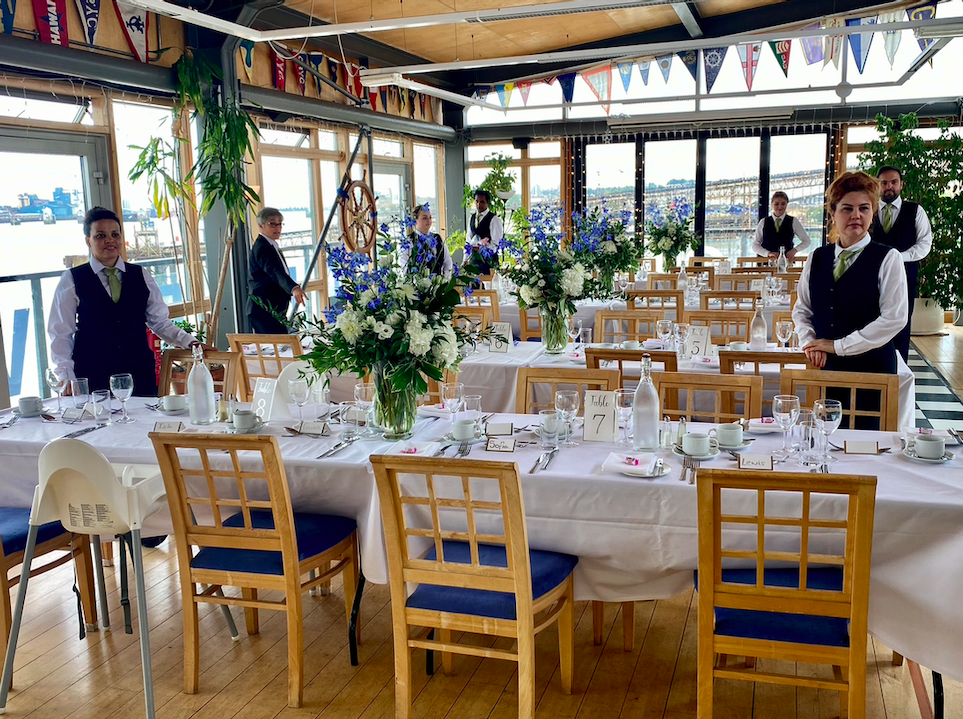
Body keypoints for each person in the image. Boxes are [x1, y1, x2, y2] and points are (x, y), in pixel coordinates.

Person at [48, 206, 204, 397]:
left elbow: (160, 322)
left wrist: (190, 342)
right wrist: (66, 377)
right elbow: (60, 333)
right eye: (100, 236)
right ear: (88, 241)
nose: (109, 240)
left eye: (115, 234)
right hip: (93, 375)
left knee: (144, 424)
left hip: (139, 374)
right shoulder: (72, 279)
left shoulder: (141, 275)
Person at [792, 171, 907, 429]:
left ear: (873, 212)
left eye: (864, 208)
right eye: (847, 208)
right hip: (825, 370)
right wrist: (811, 343)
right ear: (833, 214)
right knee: (824, 442)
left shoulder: (888, 258)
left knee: (868, 447)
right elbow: (802, 310)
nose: (856, 215)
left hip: (872, 372)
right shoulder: (816, 258)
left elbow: (894, 318)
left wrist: (838, 346)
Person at [870, 165, 933, 362]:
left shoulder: (915, 210)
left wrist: (898, 257)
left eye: (894, 182)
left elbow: (924, 243)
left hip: (904, 276)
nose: (889, 186)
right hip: (871, 276)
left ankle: (898, 373)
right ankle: (872, 371)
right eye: (884, 183)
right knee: (870, 321)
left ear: (901, 185)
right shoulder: (868, 208)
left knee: (901, 325)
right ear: (878, 185)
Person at [247, 207, 308, 334]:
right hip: (265, 311)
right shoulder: (262, 248)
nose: (278, 228)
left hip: (273, 309)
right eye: (272, 224)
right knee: (276, 349)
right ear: (260, 226)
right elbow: (275, 271)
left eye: (280, 223)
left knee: (281, 347)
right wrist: (293, 288)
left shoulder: (270, 245)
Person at [752, 191, 811, 261]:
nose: (780, 207)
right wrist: (768, 253)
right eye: (776, 204)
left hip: (787, 263)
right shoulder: (763, 222)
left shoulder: (793, 221)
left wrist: (795, 250)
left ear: (787, 204)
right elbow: (755, 245)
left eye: (783, 204)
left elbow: (806, 241)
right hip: (766, 263)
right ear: (772, 204)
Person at [402, 204, 453, 278]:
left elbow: (447, 261)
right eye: (424, 218)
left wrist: (445, 279)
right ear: (415, 220)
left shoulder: (437, 238)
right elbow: (404, 266)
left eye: (430, 218)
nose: (428, 221)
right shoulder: (409, 241)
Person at [468, 189, 503, 275]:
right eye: (477, 201)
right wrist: (465, 259)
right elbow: (468, 239)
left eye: (482, 202)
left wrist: (483, 248)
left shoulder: (494, 219)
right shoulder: (472, 218)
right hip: (474, 262)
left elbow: (496, 243)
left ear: (487, 203)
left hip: (488, 263)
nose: (478, 204)